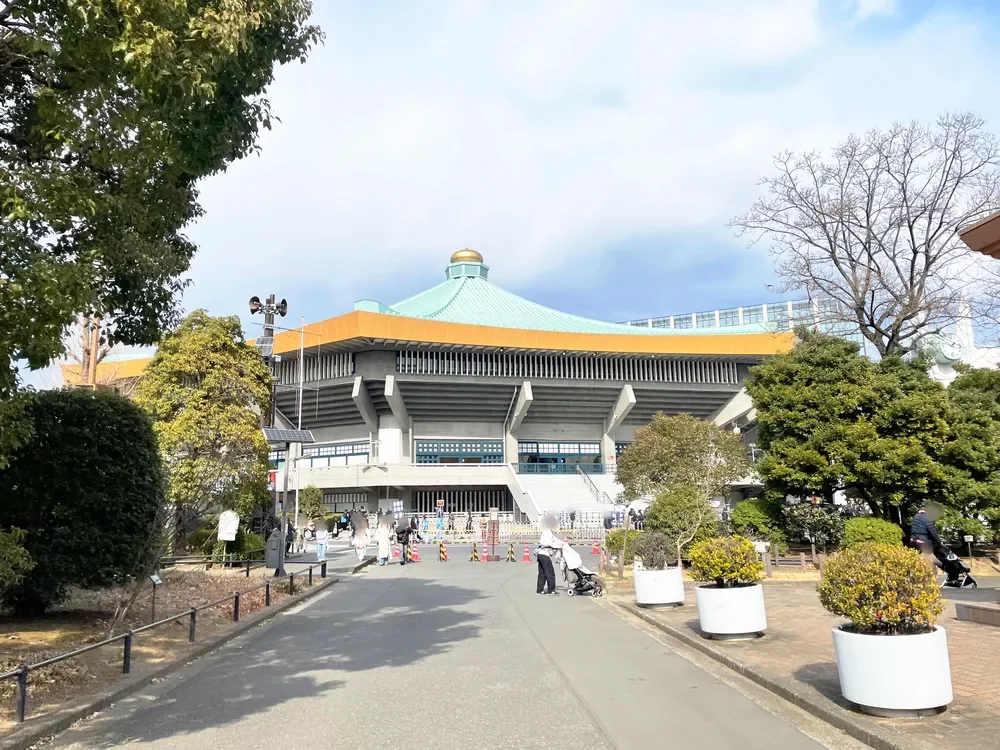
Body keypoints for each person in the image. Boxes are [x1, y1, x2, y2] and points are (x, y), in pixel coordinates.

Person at [536, 517, 566, 595]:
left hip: (541, 555)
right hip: (545, 555)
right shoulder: (547, 532)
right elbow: (550, 543)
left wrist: (562, 543)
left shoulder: (547, 531)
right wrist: (559, 546)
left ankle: (539, 590)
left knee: (542, 573)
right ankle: (551, 590)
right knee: (550, 573)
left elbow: (555, 539)